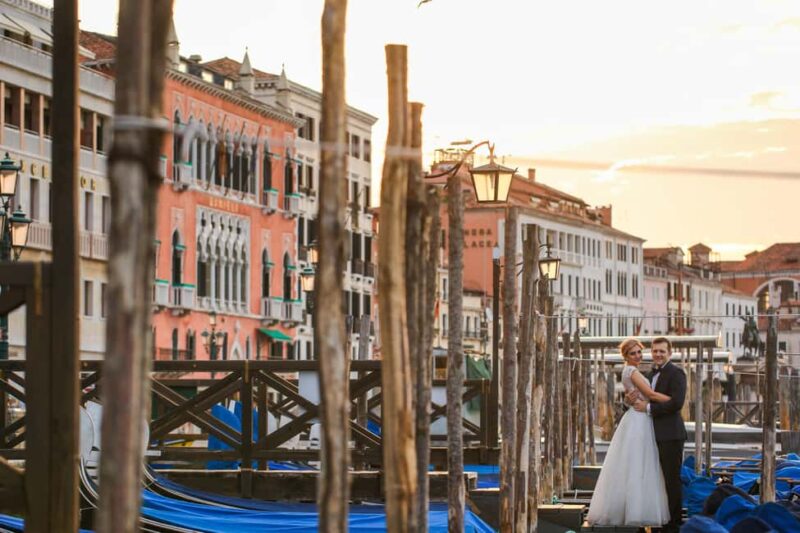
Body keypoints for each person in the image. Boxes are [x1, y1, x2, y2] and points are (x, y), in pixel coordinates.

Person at [586, 338, 671, 527]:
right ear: (626, 356)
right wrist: (672, 400)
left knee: (634, 463)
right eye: (633, 353)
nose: (638, 356)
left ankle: (634, 508)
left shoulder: (630, 371)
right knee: (638, 464)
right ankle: (636, 510)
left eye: (639, 352)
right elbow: (651, 394)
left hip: (637, 417)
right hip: (638, 419)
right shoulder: (632, 371)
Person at [630, 337, 687, 533]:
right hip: (651, 434)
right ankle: (658, 519)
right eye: (655, 351)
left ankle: (674, 524)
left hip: (670, 435)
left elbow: (677, 403)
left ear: (670, 353)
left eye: (662, 351)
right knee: (654, 479)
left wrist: (649, 408)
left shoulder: (677, 373)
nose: (658, 354)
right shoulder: (649, 374)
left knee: (671, 480)